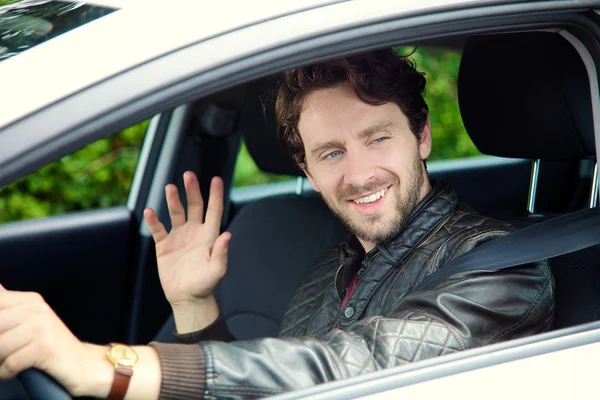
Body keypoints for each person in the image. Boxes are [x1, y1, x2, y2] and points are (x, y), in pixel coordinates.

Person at [0, 49, 554, 400]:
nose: (360, 173)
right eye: (331, 153)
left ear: (423, 136)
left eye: (378, 137)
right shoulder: (327, 274)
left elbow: (353, 366)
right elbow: (275, 384)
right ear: (307, 171)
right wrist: (194, 305)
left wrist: (106, 368)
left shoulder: (507, 269)